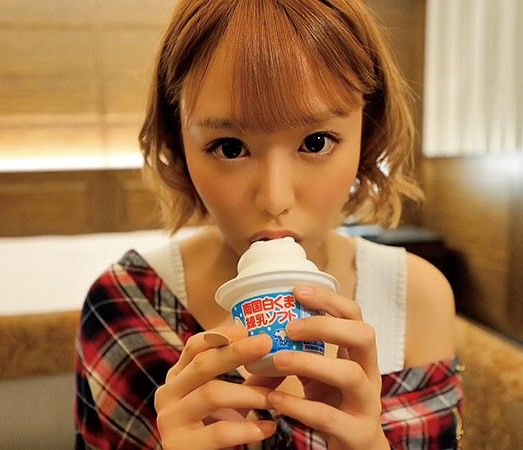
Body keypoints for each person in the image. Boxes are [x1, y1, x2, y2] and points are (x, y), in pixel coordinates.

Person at [74, 0, 463, 448]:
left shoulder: (415, 297)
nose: (276, 199)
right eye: (229, 147)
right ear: (178, 143)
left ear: (367, 133)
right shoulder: (125, 305)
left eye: (316, 142)